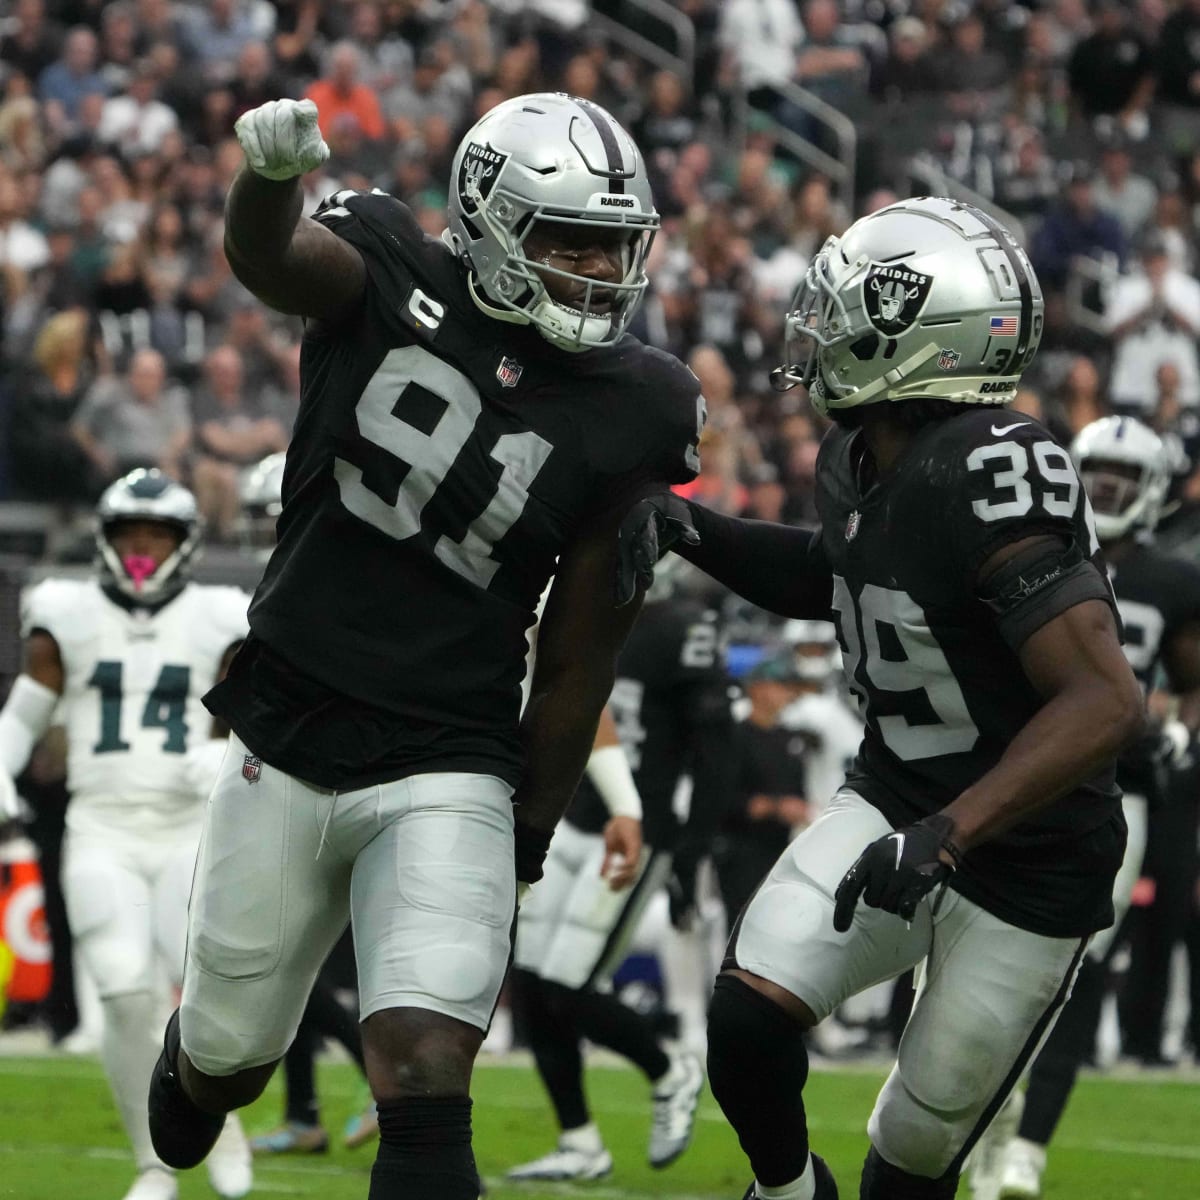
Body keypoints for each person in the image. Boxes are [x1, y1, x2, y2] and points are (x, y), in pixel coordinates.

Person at [145, 92, 704, 1200]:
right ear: (490, 221)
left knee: (425, 1060)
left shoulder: (639, 403)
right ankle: (200, 1067)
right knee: (226, 1060)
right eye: (570, 239)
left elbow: (583, 648)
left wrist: (532, 826)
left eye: (615, 242)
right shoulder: (393, 262)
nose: (601, 268)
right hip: (291, 727)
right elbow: (275, 260)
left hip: (452, 752)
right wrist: (264, 186)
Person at [615, 196, 1145, 1200]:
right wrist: (698, 532)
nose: (823, 324)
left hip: (1028, 857)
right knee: (745, 1015)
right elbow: (841, 575)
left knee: (909, 1163)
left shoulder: (997, 464)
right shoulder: (859, 455)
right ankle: (788, 1192)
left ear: (923, 333)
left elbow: (1101, 700)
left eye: (852, 305)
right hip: (899, 794)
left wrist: (952, 831)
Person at [0, 468, 252, 1200]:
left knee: (199, 992)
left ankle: (219, 1120)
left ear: (184, 543)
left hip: (186, 830)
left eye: (156, 536)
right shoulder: (65, 611)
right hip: (100, 828)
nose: (141, 549)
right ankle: (156, 1163)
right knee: (119, 990)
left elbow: (261, 711)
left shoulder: (218, 616)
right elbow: (25, 712)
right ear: (106, 541)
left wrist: (230, 749)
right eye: (129, 535)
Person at [973, 417, 1200, 1200]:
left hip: (1118, 792)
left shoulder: (1173, 580)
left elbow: (1194, 677)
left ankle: (1028, 1143)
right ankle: (983, 1116)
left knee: (1075, 968)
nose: (1106, 489)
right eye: (1097, 471)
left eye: (1124, 477)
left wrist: (1173, 729)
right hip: (1015, 777)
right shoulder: (1040, 553)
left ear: (1155, 490)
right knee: (971, 959)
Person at [508, 563, 733, 1181]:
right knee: (531, 986)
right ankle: (580, 1144)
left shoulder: (678, 629)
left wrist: (693, 846)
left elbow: (717, 745)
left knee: (567, 987)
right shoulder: (580, 619)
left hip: (638, 829)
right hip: (568, 814)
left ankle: (670, 1069)